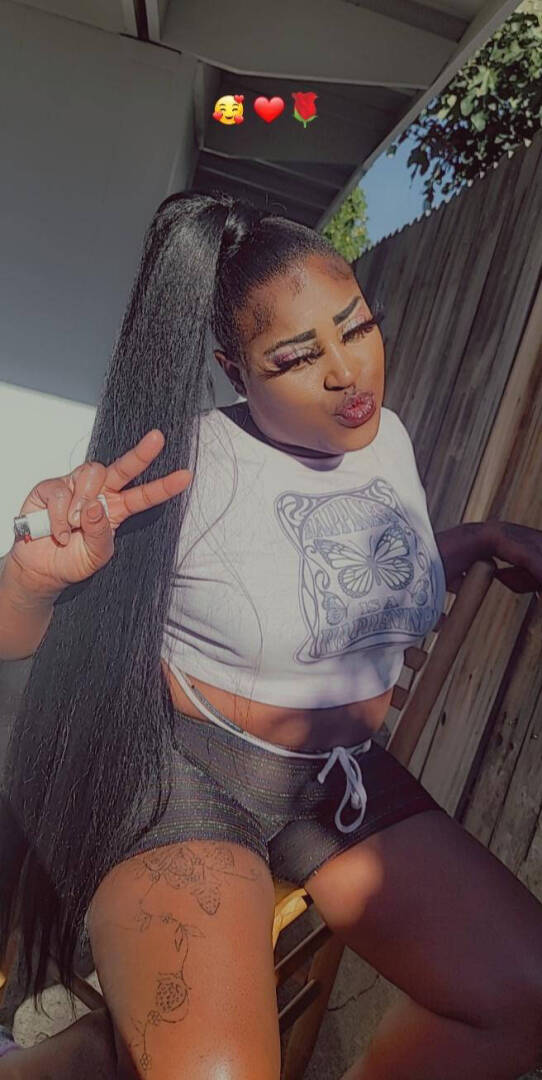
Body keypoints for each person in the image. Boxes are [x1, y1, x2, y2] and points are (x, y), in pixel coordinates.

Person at [0, 190, 541, 1080]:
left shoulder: (385, 439)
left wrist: (476, 539)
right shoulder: (187, 467)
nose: (347, 372)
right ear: (234, 368)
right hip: (186, 778)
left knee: (522, 995)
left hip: (336, 785)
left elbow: (346, 575)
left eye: (356, 326)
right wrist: (29, 578)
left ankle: (102, 1055)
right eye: (297, 356)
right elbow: (17, 643)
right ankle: (94, 1054)